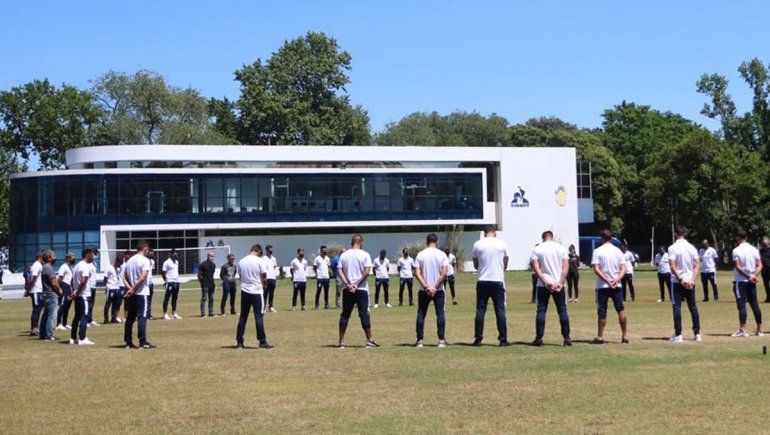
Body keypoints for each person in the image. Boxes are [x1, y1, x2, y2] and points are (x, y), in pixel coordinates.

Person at [337, 234, 380, 349]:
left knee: (345, 315)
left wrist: (348, 284)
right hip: (361, 289)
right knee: (364, 314)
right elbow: (367, 272)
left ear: (351, 242)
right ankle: (369, 340)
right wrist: (356, 284)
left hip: (348, 289)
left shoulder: (344, 255)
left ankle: (341, 342)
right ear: (361, 243)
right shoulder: (365, 254)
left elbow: (339, 270)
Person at [530, 231, 571, 347]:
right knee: (562, 311)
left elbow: (535, 267)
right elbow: (566, 266)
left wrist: (544, 281)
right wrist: (560, 282)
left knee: (541, 311)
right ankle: (566, 338)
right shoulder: (561, 248)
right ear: (552, 237)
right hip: (558, 284)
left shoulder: (538, 249)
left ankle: (539, 338)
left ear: (543, 238)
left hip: (543, 284)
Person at [472, 225, 511, 346]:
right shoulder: (502, 244)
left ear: (484, 233)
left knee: (480, 310)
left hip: (482, 280)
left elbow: (475, 264)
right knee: (500, 310)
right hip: (497, 280)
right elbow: (505, 262)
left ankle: (478, 338)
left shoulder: (477, 244)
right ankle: (503, 339)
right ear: (495, 233)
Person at [591, 229, 629, 344]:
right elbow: (623, 268)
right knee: (620, 309)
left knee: (602, 310)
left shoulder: (597, 251)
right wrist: (616, 280)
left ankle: (600, 336)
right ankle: (625, 335)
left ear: (602, 238)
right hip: (616, 285)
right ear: (611, 238)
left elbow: (596, 269)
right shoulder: (618, 251)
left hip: (603, 286)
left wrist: (607, 280)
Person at [413, 233, 449, 348]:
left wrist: (426, 287)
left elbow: (417, 273)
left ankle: (420, 340)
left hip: (424, 290)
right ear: (436, 243)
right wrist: (435, 287)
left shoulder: (420, 254)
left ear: (426, 242)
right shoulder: (442, 254)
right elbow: (444, 273)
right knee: (440, 313)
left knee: (421, 313)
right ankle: (441, 340)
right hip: (438, 290)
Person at [235, 244, 273, 349]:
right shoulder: (260, 261)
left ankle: (239, 342)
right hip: (257, 291)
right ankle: (262, 341)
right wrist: (264, 287)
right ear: (258, 251)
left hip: (245, 291)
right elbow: (264, 277)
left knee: (243, 316)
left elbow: (241, 276)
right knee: (259, 317)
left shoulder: (241, 261)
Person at [667, 228, 702, 342]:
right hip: (690, 281)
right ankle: (697, 333)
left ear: (675, 234)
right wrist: (692, 280)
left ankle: (678, 334)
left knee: (677, 307)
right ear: (685, 234)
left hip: (677, 281)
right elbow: (697, 265)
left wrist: (680, 280)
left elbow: (672, 267)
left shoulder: (672, 248)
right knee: (693, 307)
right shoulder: (692, 247)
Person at [123, 240, 156, 349]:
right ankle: (143, 342)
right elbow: (143, 277)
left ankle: (128, 342)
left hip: (132, 294)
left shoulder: (130, 261)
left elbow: (124, 277)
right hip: (142, 293)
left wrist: (130, 289)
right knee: (142, 317)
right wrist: (133, 289)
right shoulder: (145, 260)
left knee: (130, 318)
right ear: (145, 247)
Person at [730, 231, 763, 337]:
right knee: (754, 304)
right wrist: (754, 275)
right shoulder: (754, 249)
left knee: (741, 305)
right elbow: (760, 265)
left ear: (738, 238)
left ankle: (742, 330)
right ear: (746, 237)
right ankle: (759, 330)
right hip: (751, 281)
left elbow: (738, 266)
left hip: (741, 281)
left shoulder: (736, 250)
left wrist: (749, 276)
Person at [70, 249, 96, 345]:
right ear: (87, 255)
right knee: (85, 316)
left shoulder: (77, 266)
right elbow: (83, 281)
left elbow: (73, 280)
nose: (93, 257)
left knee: (77, 316)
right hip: (83, 294)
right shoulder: (85, 266)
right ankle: (82, 338)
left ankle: (73, 338)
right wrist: (77, 292)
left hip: (78, 295)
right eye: (92, 255)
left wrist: (74, 292)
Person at [38, 250, 62, 341]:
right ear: (48, 258)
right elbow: (54, 283)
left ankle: (43, 334)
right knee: (52, 315)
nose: (55, 257)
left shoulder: (45, 267)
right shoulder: (48, 268)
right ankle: (49, 335)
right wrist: (59, 291)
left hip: (46, 294)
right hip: (51, 294)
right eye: (53, 256)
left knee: (46, 315)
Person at [25, 253, 44, 336]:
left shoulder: (39, 265)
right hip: (36, 290)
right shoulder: (36, 265)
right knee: (36, 309)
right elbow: (32, 279)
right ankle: (34, 329)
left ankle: (36, 328)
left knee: (38, 309)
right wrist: (28, 290)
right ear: (40, 257)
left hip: (39, 290)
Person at [55, 253, 76, 330]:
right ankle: (59, 324)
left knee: (67, 306)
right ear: (68, 258)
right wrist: (59, 288)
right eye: (72, 258)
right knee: (62, 305)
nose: (74, 260)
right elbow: (59, 278)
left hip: (69, 288)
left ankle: (64, 323)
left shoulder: (70, 267)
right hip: (64, 287)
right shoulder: (63, 267)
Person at [161, 249, 182, 320]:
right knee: (167, 298)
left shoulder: (177, 262)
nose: (176, 256)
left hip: (176, 282)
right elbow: (163, 272)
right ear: (171, 254)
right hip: (169, 282)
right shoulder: (166, 262)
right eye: (174, 254)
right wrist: (166, 280)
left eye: (176, 254)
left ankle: (174, 313)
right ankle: (165, 313)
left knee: (175, 298)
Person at [102, 257, 122, 324]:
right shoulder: (109, 268)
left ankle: (113, 318)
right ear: (116, 261)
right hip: (110, 288)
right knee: (108, 304)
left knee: (115, 304)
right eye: (119, 264)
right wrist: (107, 286)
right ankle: (106, 319)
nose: (119, 266)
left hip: (117, 288)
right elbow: (105, 278)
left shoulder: (117, 269)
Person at [198, 251, 217, 317]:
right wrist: (202, 282)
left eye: (212, 256)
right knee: (204, 298)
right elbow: (199, 275)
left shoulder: (214, 265)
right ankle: (203, 313)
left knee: (211, 298)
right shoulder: (203, 264)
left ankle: (211, 312)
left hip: (212, 284)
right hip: (205, 284)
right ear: (207, 256)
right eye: (210, 256)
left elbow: (212, 274)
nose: (212, 258)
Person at [264, 245, 278, 312]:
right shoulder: (263, 258)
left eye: (272, 249)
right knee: (265, 293)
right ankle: (263, 307)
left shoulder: (273, 258)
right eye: (270, 249)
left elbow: (274, 267)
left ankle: (271, 307)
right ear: (266, 250)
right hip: (266, 278)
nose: (271, 250)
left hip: (273, 278)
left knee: (272, 293)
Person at [146, 247, 156, 320]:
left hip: (150, 282)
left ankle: (149, 314)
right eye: (150, 252)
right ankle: (144, 314)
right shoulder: (144, 260)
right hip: (145, 283)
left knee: (149, 300)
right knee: (144, 299)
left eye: (152, 252)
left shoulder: (152, 261)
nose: (151, 254)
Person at [758, 238, 770, 303]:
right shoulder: (761, 251)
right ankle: (768, 298)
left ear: (768, 243)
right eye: (763, 243)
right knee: (766, 284)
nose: (763, 244)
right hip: (764, 270)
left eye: (764, 242)